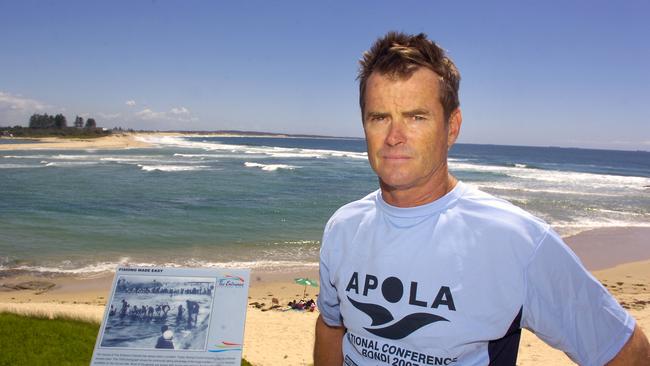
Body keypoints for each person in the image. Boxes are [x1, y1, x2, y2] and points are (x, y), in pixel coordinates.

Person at [314, 31, 649, 365]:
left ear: (452, 127)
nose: (394, 137)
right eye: (379, 117)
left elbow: (625, 351)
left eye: (416, 117)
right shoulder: (343, 227)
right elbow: (332, 326)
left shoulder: (517, 241)